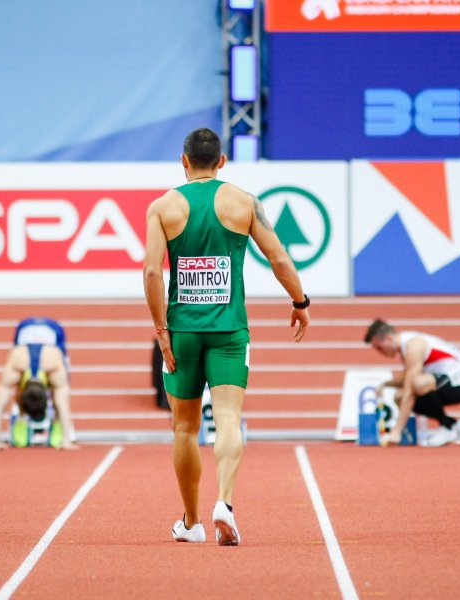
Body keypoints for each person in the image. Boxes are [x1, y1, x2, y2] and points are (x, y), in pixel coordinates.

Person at [143, 127, 310, 545]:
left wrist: (161, 331)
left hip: (181, 330)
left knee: (184, 428)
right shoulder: (244, 202)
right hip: (229, 331)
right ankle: (226, 503)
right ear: (221, 162)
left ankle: (191, 522)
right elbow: (279, 258)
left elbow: (150, 273)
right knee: (229, 418)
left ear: (184, 161)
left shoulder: (163, 207)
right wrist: (300, 302)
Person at [364, 319, 460, 447]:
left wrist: (396, 431)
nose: (381, 353)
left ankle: (447, 427)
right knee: (399, 396)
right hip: (448, 380)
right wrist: (386, 384)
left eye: (380, 347)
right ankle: (451, 424)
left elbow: (409, 388)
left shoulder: (414, 346)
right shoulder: (406, 347)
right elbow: (407, 379)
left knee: (417, 384)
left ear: (389, 338)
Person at [0, 317, 78, 450]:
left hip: (47, 331)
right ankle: (65, 432)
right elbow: (63, 404)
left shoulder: (16, 365)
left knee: (60, 390)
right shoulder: (54, 368)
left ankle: (29, 420)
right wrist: (67, 441)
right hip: (38, 333)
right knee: (61, 393)